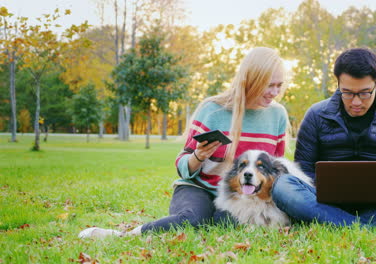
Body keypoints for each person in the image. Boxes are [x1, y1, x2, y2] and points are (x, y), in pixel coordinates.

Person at [79, 47, 290, 238]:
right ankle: (123, 235)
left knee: (225, 223)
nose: (274, 92)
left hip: (237, 197)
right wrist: (198, 156)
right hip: (198, 188)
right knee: (193, 220)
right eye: (269, 85)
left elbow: (277, 171)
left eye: (279, 85)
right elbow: (182, 165)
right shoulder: (213, 110)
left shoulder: (278, 115)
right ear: (251, 80)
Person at [271, 48, 376, 229]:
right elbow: (302, 173)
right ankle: (373, 226)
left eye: (364, 93)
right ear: (337, 84)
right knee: (283, 185)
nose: (356, 102)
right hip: (328, 203)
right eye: (347, 92)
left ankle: (339, 223)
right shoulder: (316, 115)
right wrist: (327, 183)